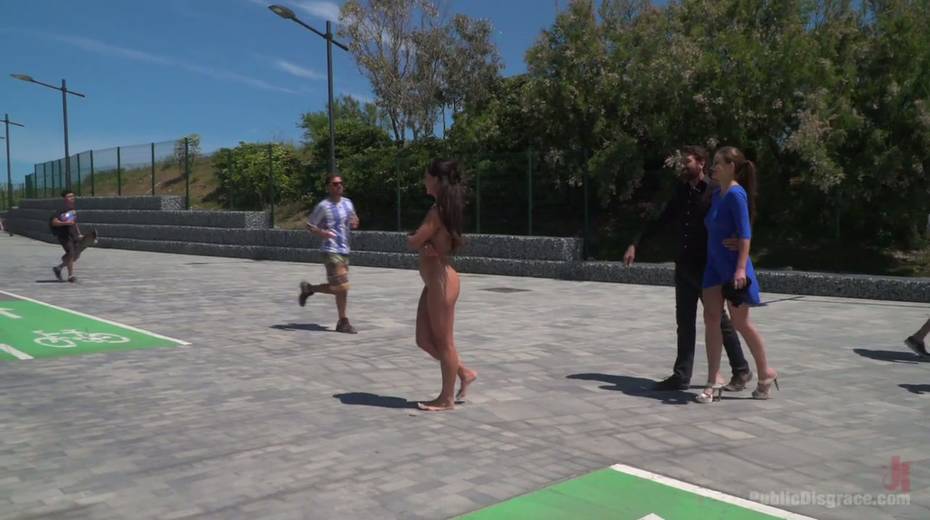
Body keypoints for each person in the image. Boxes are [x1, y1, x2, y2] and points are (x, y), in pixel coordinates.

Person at [625, 145, 752, 392]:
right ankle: (681, 375)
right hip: (684, 265)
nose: (683, 166)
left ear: (702, 163)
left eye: (688, 161)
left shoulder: (716, 190)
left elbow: (736, 218)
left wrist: (739, 240)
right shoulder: (681, 191)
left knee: (719, 321)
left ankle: (741, 369)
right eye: (682, 162)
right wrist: (635, 243)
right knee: (684, 322)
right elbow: (661, 219)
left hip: (708, 267)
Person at [698, 146, 778, 403]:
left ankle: (765, 373)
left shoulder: (736, 194)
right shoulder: (717, 194)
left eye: (718, 163)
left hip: (733, 267)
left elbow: (745, 234)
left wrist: (741, 268)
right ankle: (713, 379)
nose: (713, 167)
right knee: (711, 318)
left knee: (740, 322)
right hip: (713, 265)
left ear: (731, 166)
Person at [407, 159, 477, 411]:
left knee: (445, 343)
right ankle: (464, 372)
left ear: (436, 179)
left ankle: (447, 399)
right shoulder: (442, 209)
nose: (424, 180)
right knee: (423, 339)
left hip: (441, 282)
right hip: (434, 282)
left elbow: (414, 241)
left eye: (426, 175)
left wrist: (415, 238)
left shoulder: (437, 212)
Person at [298, 174, 359, 334]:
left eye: (341, 183)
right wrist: (322, 233)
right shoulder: (323, 206)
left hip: (345, 249)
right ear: (328, 187)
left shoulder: (348, 203)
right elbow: (310, 226)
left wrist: (355, 221)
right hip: (330, 249)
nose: (339, 186)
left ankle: (309, 288)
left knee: (339, 287)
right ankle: (343, 322)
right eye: (335, 184)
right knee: (342, 286)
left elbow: (353, 218)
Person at [50, 190, 83, 283]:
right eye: (69, 196)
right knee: (71, 253)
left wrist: (79, 233)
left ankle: (59, 268)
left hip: (73, 235)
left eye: (73, 196)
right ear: (65, 199)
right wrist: (65, 223)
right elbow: (54, 222)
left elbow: (74, 223)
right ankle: (70, 276)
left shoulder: (73, 210)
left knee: (75, 255)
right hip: (64, 235)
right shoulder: (61, 209)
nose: (72, 198)